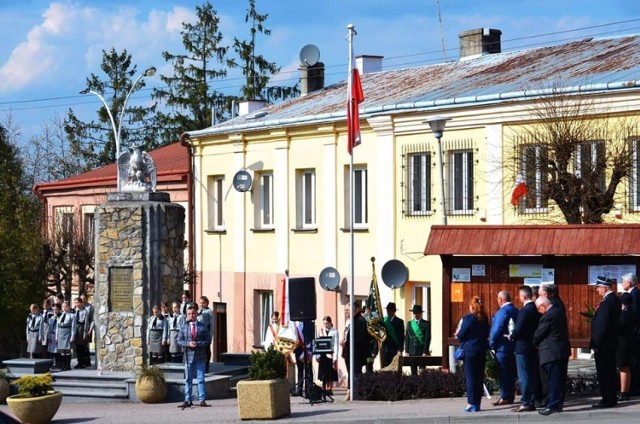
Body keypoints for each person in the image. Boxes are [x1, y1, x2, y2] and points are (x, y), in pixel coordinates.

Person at [533, 297, 570, 416]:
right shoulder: (559, 311)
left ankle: (553, 405)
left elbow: (539, 333)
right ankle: (557, 404)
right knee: (559, 380)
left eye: (539, 308)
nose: (539, 311)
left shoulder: (548, 316)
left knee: (553, 380)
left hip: (552, 352)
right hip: (561, 351)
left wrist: (534, 342)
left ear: (543, 305)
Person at [590, 276, 621, 409]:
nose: (597, 290)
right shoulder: (614, 300)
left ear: (604, 288)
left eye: (598, 287)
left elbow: (601, 326)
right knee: (610, 371)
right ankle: (611, 398)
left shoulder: (607, 303)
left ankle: (607, 399)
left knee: (604, 372)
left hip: (604, 344)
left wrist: (596, 343)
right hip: (610, 342)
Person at [456, 296, 490, 413]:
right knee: (479, 377)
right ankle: (477, 403)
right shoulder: (484, 318)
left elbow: (461, 335)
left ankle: (471, 403)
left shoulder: (468, 318)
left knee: (470, 377)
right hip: (481, 350)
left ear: (472, 306)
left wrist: (458, 335)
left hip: (470, 351)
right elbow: (487, 333)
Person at [510, 286, 541, 412]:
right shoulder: (535, 309)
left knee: (524, 376)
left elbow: (519, 329)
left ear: (523, 296)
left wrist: (512, 335)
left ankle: (526, 401)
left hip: (522, 347)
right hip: (532, 346)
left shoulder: (524, 311)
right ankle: (532, 399)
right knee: (532, 374)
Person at [178, 305, 211, 408]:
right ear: (186, 315)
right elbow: (179, 340)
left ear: (196, 314)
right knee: (188, 379)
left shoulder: (202, 326)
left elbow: (208, 340)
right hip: (188, 356)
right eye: (189, 314)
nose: (191, 315)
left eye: (193, 313)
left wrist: (199, 343)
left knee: (201, 379)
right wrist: (188, 344)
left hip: (200, 356)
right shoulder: (184, 326)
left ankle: (202, 400)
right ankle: (188, 399)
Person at [489, 291, 518, 406]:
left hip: (502, 347)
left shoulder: (502, 312)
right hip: (514, 347)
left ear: (501, 299)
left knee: (504, 373)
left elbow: (497, 329)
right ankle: (509, 396)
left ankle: (505, 397)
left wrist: (491, 344)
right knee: (511, 373)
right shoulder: (516, 310)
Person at [341, 302, 370, 401]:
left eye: (348, 310)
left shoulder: (360, 321)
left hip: (356, 354)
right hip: (349, 353)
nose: (346, 313)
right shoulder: (352, 321)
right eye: (346, 311)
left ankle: (356, 394)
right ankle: (351, 392)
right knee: (351, 373)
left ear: (356, 309)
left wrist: (347, 343)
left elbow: (360, 339)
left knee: (356, 374)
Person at [621, 273, 640, 395]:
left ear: (629, 282)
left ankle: (635, 388)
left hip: (635, 334)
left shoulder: (635, 295)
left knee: (635, 361)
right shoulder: (633, 294)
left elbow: (635, 315)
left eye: (623, 281)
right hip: (634, 333)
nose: (622, 284)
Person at [617, 292, 636, 401]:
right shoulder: (631, 311)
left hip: (623, 343)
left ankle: (624, 391)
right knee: (625, 366)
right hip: (627, 342)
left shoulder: (626, 313)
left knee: (623, 366)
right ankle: (624, 390)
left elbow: (620, 326)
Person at [404, 305, 431, 376]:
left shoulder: (426, 324)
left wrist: (425, 351)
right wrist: (406, 351)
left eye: (417, 313)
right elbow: (407, 338)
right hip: (412, 351)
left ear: (420, 313)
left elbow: (427, 339)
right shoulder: (409, 324)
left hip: (421, 351)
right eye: (414, 313)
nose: (416, 315)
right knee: (413, 371)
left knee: (422, 372)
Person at [316, 316, 339, 395]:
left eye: (327, 323)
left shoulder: (334, 332)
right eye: (324, 323)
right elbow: (318, 343)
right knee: (324, 373)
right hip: (323, 354)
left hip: (331, 354)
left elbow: (336, 344)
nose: (325, 325)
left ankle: (330, 388)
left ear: (330, 323)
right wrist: (317, 356)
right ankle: (324, 388)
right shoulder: (321, 331)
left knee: (330, 373)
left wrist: (335, 357)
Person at [380, 302, 404, 368]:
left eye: (390, 310)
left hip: (394, 349)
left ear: (394, 311)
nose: (388, 312)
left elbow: (401, 337)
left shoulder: (399, 321)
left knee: (395, 369)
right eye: (387, 310)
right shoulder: (384, 320)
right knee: (385, 368)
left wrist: (400, 350)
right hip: (385, 349)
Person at [55, 301, 76, 371]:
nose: (64, 308)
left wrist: (72, 335)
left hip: (67, 333)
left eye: (66, 307)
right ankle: (63, 365)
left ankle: (68, 365)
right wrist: (56, 335)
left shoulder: (72, 315)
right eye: (63, 307)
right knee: (62, 351)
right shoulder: (60, 315)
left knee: (67, 350)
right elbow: (57, 326)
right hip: (60, 333)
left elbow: (73, 327)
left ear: (69, 307)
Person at [197, 296, 215, 373]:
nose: (201, 304)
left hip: (206, 333)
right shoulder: (198, 311)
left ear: (207, 303)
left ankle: (206, 366)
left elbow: (212, 324)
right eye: (200, 302)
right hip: (198, 334)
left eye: (203, 303)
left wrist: (211, 335)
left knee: (206, 350)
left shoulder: (209, 312)